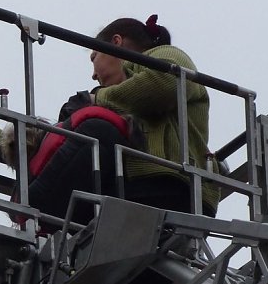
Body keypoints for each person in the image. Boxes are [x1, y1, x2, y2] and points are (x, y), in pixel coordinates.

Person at [91, 15, 220, 217]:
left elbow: (164, 84)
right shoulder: (123, 98)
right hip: (152, 185)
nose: (93, 74)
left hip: (172, 181)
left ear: (116, 42)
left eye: (94, 57)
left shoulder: (166, 55)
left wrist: (97, 98)